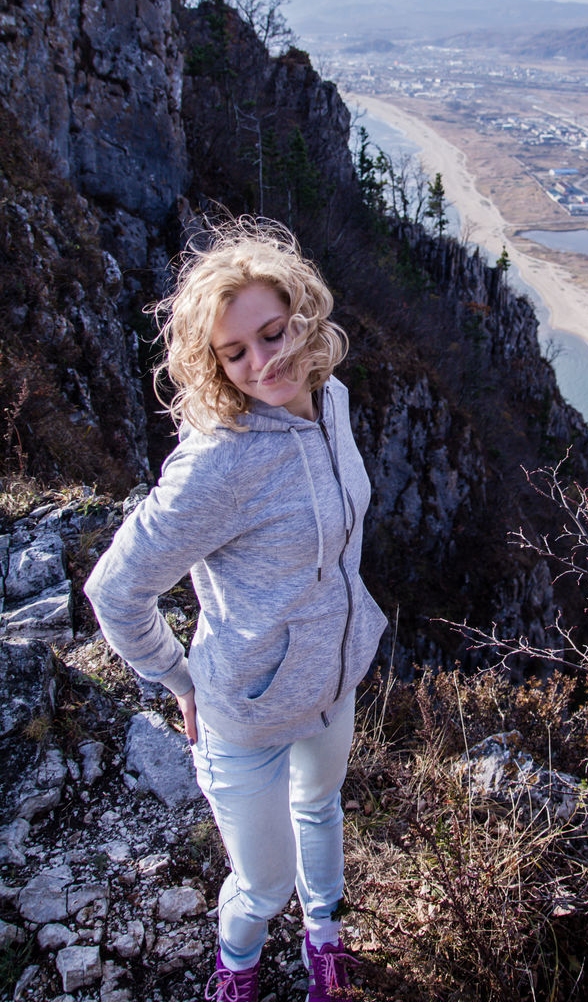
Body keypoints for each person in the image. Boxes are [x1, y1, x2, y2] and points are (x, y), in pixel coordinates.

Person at [85, 217, 387, 1002]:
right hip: (244, 711)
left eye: (275, 332)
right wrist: (178, 679)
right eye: (236, 351)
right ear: (212, 363)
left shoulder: (332, 400)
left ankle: (326, 938)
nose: (265, 361)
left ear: (302, 318)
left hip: (331, 686)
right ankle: (238, 964)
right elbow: (115, 592)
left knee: (319, 809)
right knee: (261, 883)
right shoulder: (218, 463)